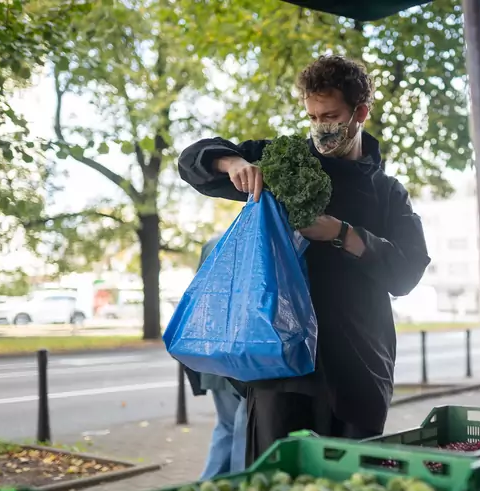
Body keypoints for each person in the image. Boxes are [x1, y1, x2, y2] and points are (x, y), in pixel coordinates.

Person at [178, 55, 430, 466]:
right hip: (282, 369)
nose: (319, 127)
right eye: (311, 116)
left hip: (359, 365)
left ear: (360, 112)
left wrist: (342, 233)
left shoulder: (388, 193)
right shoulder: (283, 161)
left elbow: (407, 271)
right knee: (278, 484)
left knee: (350, 489)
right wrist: (234, 162)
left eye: (330, 116)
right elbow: (193, 160)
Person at [182, 235, 247, 478]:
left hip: (212, 349)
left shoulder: (212, 242)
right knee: (243, 429)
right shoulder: (259, 236)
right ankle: (242, 489)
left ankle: (207, 487)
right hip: (245, 353)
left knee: (227, 426)